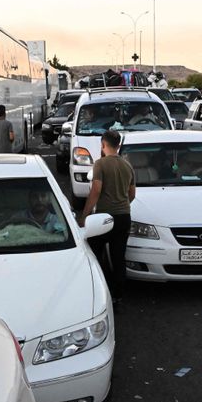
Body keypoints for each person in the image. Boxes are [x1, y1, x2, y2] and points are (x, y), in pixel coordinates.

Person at [78, 130, 135, 305]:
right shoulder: (128, 166)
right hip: (124, 216)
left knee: (95, 253)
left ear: (103, 144)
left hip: (104, 218)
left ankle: (100, 291)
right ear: (118, 145)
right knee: (119, 258)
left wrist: (84, 216)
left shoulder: (100, 164)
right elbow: (131, 194)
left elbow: (96, 190)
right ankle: (118, 296)